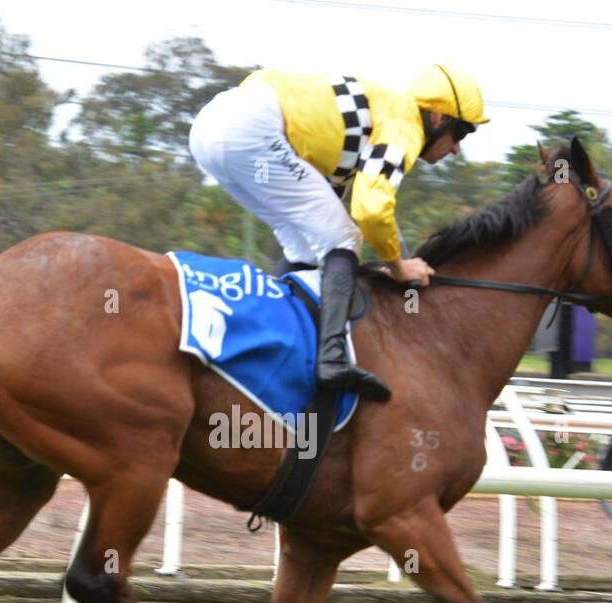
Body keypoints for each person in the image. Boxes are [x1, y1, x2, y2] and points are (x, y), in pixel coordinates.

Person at [188, 63, 489, 401]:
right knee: (342, 239)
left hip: (209, 129)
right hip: (251, 130)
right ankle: (331, 361)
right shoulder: (405, 124)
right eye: (461, 133)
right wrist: (398, 266)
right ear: (438, 118)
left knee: (305, 249)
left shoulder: (376, 110)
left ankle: (268, 343)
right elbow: (371, 210)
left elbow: (340, 203)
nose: (455, 149)